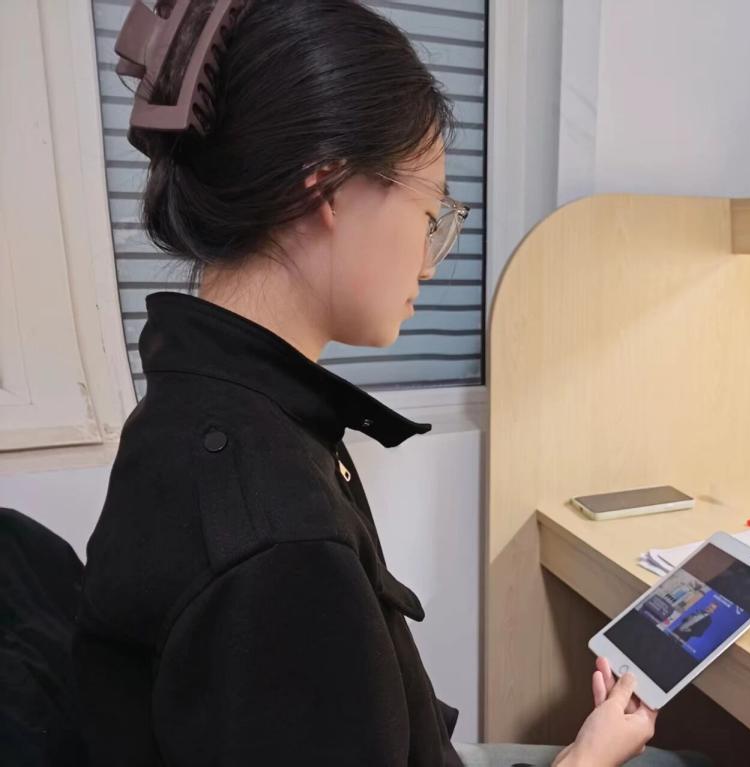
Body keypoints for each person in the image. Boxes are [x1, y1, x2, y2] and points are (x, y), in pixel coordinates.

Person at [72, 2, 711, 766]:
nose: (430, 261)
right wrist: (587, 758)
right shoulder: (279, 547)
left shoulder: (208, 406)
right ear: (330, 191)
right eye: (429, 212)